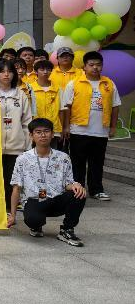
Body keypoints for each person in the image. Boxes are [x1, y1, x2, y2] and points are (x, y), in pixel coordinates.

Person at [8, 118, 86, 246]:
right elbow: (16, 188)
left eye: (46, 131)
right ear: (31, 136)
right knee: (33, 219)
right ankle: (36, 226)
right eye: (38, 132)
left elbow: (67, 183)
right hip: (35, 200)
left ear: (52, 134)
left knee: (79, 193)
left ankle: (67, 229)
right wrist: (13, 215)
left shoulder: (63, 157)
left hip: (56, 199)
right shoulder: (23, 159)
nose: (43, 135)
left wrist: (76, 185)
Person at [61, 51, 120, 201]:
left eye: (98, 65)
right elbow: (67, 107)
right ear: (84, 66)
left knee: (97, 162)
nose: (95, 67)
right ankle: (78, 190)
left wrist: (113, 127)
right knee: (77, 163)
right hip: (78, 130)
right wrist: (66, 127)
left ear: (102, 66)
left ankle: (96, 190)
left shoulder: (109, 84)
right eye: (91, 64)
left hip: (101, 131)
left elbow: (115, 106)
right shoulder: (74, 83)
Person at [0, 60, 32, 212]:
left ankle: (10, 210)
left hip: (16, 146)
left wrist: (27, 145)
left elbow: (27, 122)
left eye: (9, 71)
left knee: (12, 180)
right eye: (2, 71)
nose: (6, 75)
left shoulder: (21, 94)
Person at [30, 60, 64, 149]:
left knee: (52, 154)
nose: (45, 72)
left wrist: (62, 129)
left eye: (48, 69)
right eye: (42, 69)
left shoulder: (58, 89)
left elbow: (61, 110)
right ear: (36, 71)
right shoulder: (30, 88)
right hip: (35, 128)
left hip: (53, 129)